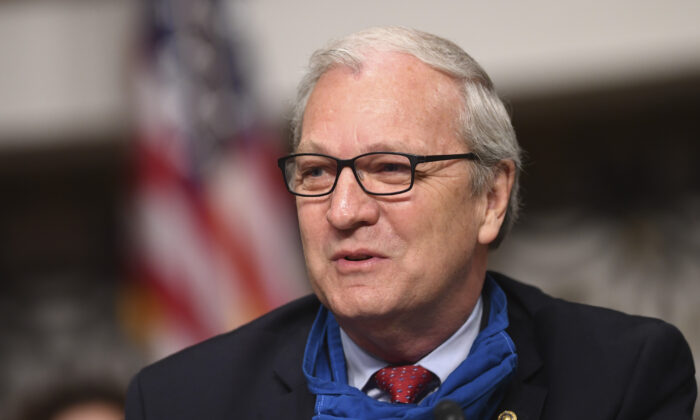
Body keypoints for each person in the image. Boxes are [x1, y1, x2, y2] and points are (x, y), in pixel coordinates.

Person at [125, 26, 696, 419]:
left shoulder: (623, 374)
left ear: (491, 198)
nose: (344, 212)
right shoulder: (183, 400)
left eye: (391, 169)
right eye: (318, 172)